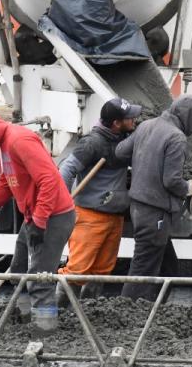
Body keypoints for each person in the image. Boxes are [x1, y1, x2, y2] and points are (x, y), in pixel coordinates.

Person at [0, 106, 75, 336]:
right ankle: (25, 318)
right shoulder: (1, 145)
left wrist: (40, 221)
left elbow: (49, 180)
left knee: (40, 278)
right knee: (19, 269)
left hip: (54, 216)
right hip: (35, 216)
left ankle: (44, 331)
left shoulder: (19, 140)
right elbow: (6, 183)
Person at [115, 95, 192, 300]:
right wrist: (189, 187)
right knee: (143, 268)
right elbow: (171, 181)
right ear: (188, 117)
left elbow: (120, 152)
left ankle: (156, 310)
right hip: (154, 213)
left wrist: (144, 161)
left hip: (138, 207)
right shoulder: (176, 137)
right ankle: (126, 312)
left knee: (168, 267)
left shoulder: (146, 126)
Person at [57, 97, 141, 297]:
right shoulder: (92, 143)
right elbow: (65, 171)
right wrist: (64, 206)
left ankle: (89, 315)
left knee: (101, 272)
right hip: (90, 217)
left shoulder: (122, 139)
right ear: (116, 123)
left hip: (115, 216)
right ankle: (59, 317)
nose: (134, 121)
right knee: (77, 272)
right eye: (130, 118)